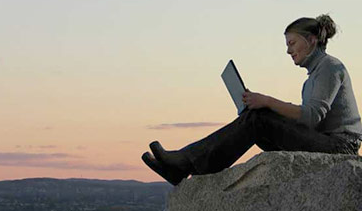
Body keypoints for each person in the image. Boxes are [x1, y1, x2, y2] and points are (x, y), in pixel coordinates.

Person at [141, 14, 362, 186]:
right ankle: (185, 164)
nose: (288, 50)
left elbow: (312, 117)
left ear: (312, 40)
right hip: (326, 141)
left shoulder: (330, 67)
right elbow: (308, 120)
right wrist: (261, 106)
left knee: (258, 118)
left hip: (341, 147)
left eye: (292, 43)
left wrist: (266, 101)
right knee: (255, 117)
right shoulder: (314, 76)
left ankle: (183, 164)